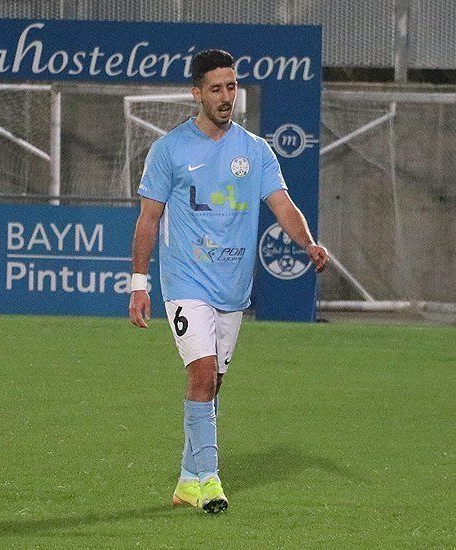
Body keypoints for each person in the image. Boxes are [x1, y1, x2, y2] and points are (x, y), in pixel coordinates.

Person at [127, 49, 328, 514]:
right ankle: (211, 480)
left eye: (232, 87)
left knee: (212, 384)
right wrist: (140, 282)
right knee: (200, 373)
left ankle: (186, 479)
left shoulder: (255, 150)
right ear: (196, 93)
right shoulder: (170, 149)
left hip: (233, 287)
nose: (225, 97)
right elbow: (148, 219)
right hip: (185, 281)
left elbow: (282, 204)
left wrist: (308, 244)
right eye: (215, 88)